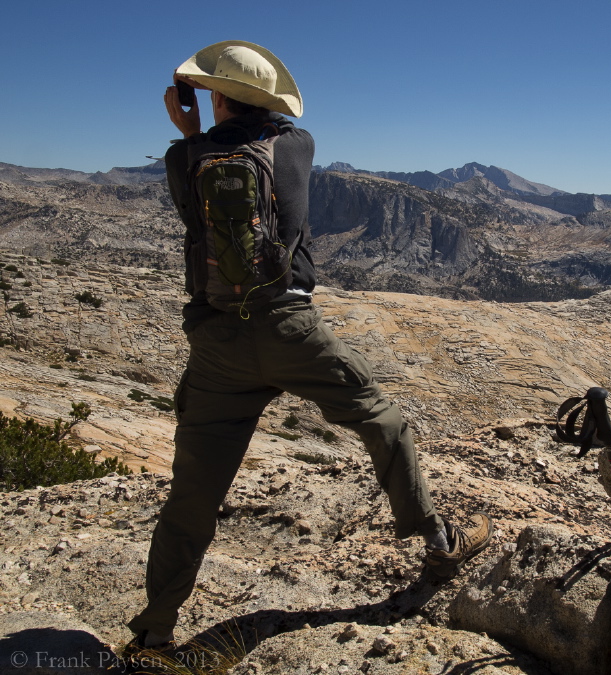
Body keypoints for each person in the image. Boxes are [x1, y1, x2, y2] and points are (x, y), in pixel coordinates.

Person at [123, 40, 493, 660]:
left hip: (217, 342)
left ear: (215, 97)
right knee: (383, 422)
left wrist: (188, 129)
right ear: (269, 102)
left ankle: (154, 635)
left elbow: (195, 214)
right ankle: (438, 536)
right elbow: (280, 162)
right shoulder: (297, 145)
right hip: (289, 329)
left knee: (192, 496)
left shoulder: (183, 158)